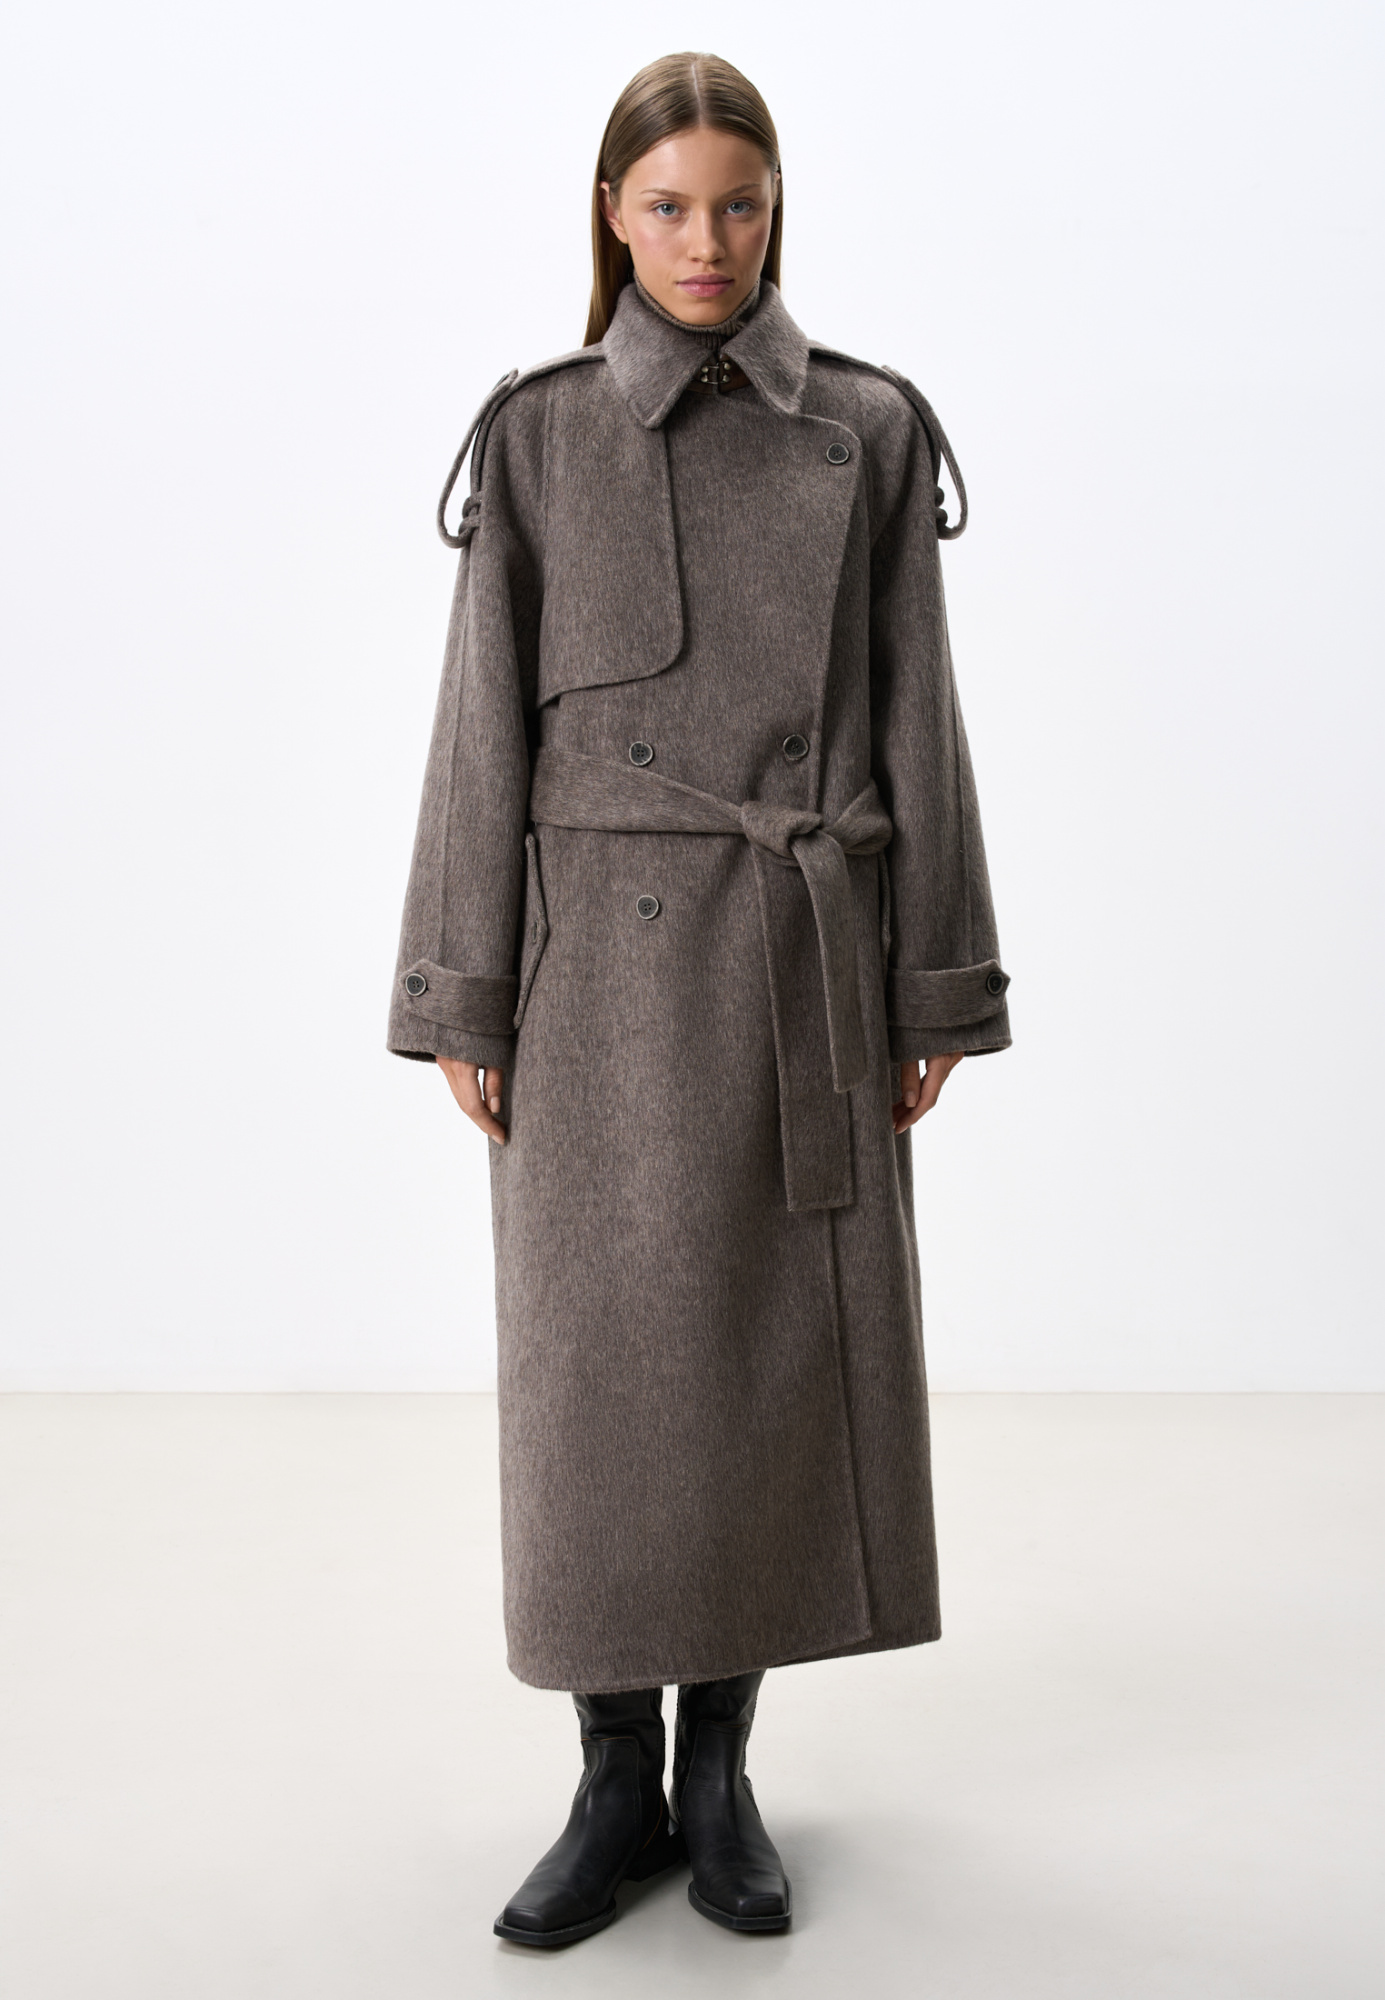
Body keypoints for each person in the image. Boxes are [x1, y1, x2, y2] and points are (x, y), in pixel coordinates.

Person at [388, 51, 1011, 1947]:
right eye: (666, 205)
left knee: (754, 1370)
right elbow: (477, 732)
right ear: (612, 214)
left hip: (793, 968)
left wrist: (930, 980)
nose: (706, 240)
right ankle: (610, 1780)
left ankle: (718, 1772)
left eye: (738, 203)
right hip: (590, 985)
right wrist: (463, 992)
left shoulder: (869, 430)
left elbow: (917, 719)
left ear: (776, 207)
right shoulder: (539, 434)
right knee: (596, 1381)